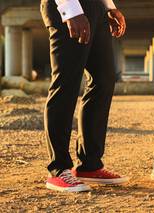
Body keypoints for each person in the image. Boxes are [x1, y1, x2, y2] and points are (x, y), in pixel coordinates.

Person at [40, 0, 129, 192]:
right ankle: (58, 169)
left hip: (95, 8)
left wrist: (109, 7)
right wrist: (70, 9)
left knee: (103, 81)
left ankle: (90, 164)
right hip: (70, 6)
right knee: (66, 83)